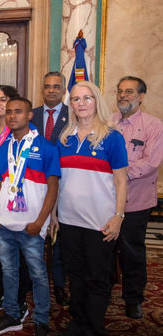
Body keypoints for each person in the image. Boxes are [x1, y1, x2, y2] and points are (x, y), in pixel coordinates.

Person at [57, 81, 128, 335]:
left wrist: (119, 216)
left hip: (100, 222)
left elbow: (121, 180)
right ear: (71, 105)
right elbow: (59, 181)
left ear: (97, 101)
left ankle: (94, 326)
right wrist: (54, 215)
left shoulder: (112, 137)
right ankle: (78, 322)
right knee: (75, 275)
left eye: (87, 98)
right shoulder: (63, 139)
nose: (82, 103)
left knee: (97, 277)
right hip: (68, 220)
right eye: (76, 99)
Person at [0, 97, 60, 336]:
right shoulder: (4, 148)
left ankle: (41, 319)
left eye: (18, 111)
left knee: (37, 273)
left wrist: (40, 222)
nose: (12, 116)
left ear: (30, 116)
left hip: (32, 226)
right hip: (4, 223)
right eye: (9, 112)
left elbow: (53, 187)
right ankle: (12, 314)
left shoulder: (46, 147)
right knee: (8, 271)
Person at [113, 76, 163, 319]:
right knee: (104, 250)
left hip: (135, 201)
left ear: (141, 96)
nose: (123, 96)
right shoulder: (108, 122)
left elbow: (151, 163)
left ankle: (133, 298)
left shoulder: (154, 125)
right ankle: (102, 291)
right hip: (106, 201)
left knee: (131, 251)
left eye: (129, 92)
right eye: (120, 91)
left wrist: (118, 175)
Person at [0, 85, 32, 316]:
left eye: (3, 100)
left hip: (17, 200)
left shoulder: (24, 133)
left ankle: (20, 299)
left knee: (17, 254)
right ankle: (3, 294)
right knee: (1, 255)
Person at [31, 71, 69, 305]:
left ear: (64, 90)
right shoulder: (31, 115)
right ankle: (33, 283)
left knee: (59, 240)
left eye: (56, 86)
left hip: (65, 184)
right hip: (34, 184)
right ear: (42, 89)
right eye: (47, 86)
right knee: (34, 236)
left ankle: (59, 284)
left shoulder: (73, 115)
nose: (51, 90)